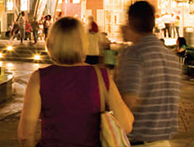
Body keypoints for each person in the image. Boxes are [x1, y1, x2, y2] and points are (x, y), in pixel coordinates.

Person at [18, 17, 133, 147]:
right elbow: (126, 124)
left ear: (50, 43)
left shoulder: (39, 78)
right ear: (83, 43)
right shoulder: (101, 76)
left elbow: (25, 134)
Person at [115, 1, 181, 146]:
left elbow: (129, 101)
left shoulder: (134, 54)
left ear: (130, 22)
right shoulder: (170, 56)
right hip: (163, 141)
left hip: (139, 140)